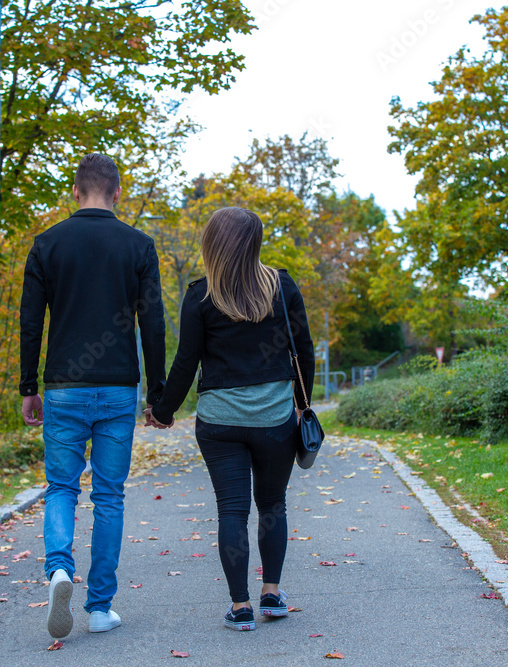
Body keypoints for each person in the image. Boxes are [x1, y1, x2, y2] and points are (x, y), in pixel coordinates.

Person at [145, 207, 315, 632]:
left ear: (212, 244)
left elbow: (185, 363)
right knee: (272, 504)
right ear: (255, 242)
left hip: (219, 423)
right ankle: (271, 594)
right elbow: (305, 352)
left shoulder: (200, 296)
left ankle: (240, 607)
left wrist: (163, 412)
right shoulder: (281, 286)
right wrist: (300, 403)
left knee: (231, 512)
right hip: (275, 419)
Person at [19, 153, 166, 639]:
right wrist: (158, 393)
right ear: (118, 192)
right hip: (120, 387)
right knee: (108, 496)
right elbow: (153, 322)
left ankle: (59, 570)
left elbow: (30, 322)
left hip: (63, 388)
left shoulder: (47, 244)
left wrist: (26, 386)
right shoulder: (139, 246)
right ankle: (100, 608)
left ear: (76, 192)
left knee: (62, 488)